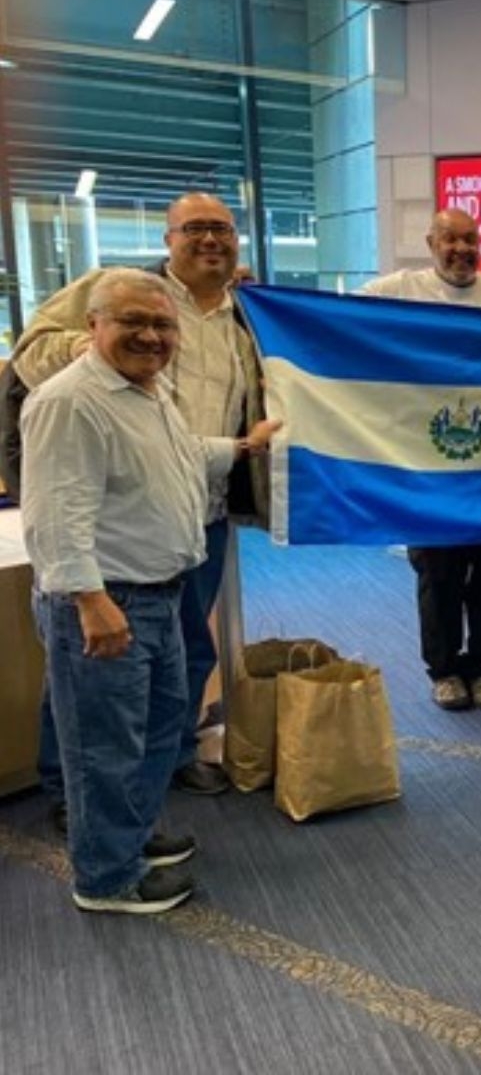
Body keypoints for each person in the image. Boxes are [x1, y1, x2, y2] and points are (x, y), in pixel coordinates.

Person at [20, 270, 279, 913]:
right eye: (132, 322)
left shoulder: (148, 390)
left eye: (163, 325)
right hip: (109, 603)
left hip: (161, 595)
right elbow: (55, 514)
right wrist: (89, 600)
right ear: (93, 327)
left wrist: (243, 446)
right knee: (104, 746)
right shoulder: (69, 401)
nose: (150, 336)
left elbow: (181, 455)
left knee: (157, 731)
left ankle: (129, 838)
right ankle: (106, 878)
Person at [10, 192, 267, 811]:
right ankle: (71, 792)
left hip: (197, 511)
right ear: (167, 239)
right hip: (112, 524)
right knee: (91, 673)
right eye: (196, 229)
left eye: (223, 230)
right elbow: (31, 351)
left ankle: (167, 761)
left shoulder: (247, 312)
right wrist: (96, 347)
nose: (211, 240)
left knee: (183, 651)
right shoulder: (122, 291)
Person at [361, 208, 481, 712]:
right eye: (450, 240)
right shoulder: (399, 288)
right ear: (431, 244)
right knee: (440, 575)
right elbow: (334, 319)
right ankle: (445, 670)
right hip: (429, 470)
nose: (461, 250)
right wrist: (255, 296)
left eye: (471, 240)